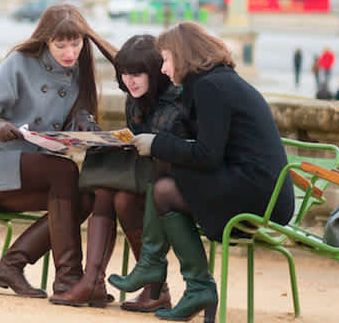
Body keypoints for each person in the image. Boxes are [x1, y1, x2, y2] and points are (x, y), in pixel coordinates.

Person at [111, 22, 294, 322]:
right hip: (259, 188)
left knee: (164, 184)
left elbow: (207, 156)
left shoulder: (210, 87)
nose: (165, 69)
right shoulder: (215, 81)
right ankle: (169, 272)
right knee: (164, 179)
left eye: (167, 60)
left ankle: (176, 275)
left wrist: (158, 143)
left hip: (256, 195)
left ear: (183, 56)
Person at [0, 4, 118, 300]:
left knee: (85, 198)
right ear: (46, 40)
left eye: (76, 43)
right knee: (64, 171)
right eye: (60, 45)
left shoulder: (79, 72)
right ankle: (69, 279)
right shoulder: (19, 63)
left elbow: (70, 117)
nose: (69, 52)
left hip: (27, 171)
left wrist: (84, 124)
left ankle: (11, 265)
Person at [51, 35, 184, 311]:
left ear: (156, 71)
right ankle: (93, 281)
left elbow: (168, 149)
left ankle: (151, 288)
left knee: (121, 197)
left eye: (137, 74)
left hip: (174, 182)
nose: (129, 80)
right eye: (124, 74)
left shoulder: (174, 100)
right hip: (147, 175)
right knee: (108, 191)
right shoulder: (134, 100)